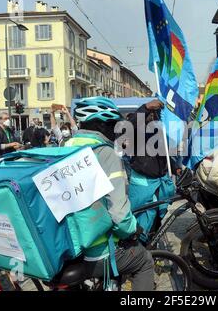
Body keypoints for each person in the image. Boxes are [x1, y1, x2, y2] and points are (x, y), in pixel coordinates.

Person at [67, 97, 154, 291]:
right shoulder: (106, 154)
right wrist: (134, 229)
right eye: (113, 124)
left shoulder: (65, 147)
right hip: (98, 249)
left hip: (70, 246)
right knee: (144, 261)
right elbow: (119, 214)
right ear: (99, 124)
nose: (116, 130)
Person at [124, 99, 176, 242]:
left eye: (157, 113)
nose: (155, 115)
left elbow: (163, 153)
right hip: (142, 182)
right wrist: (145, 107)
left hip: (161, 182)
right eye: (152, 113)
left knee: (157, 217)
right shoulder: (136, 130)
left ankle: (151, 246)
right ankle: (139, 250)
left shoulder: (159, 132)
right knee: (140, 217)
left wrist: (176, 168)